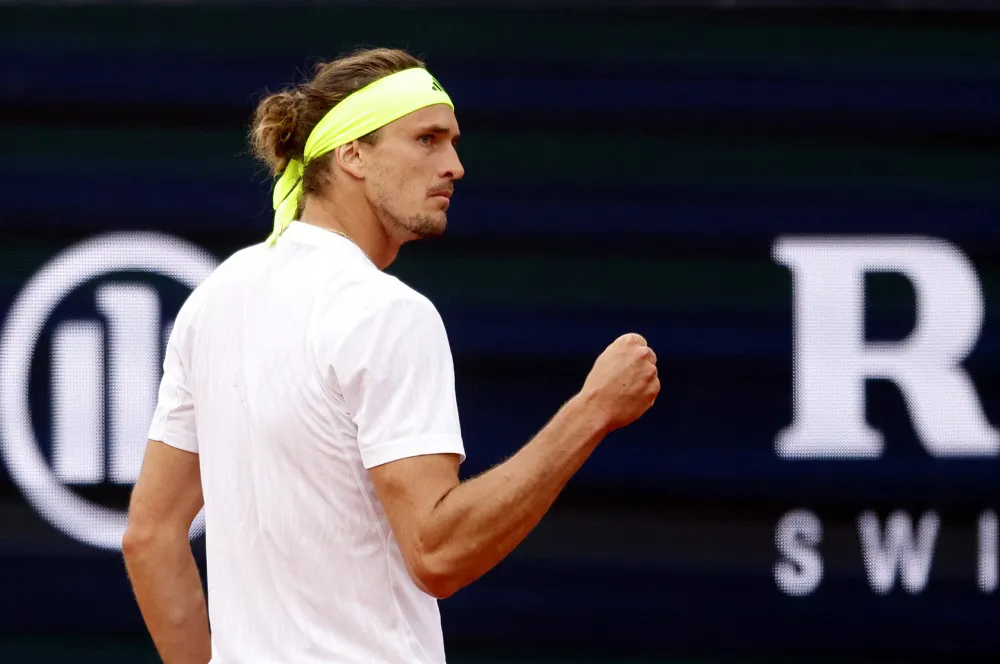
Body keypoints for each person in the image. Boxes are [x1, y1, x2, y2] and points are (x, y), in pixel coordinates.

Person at [122, 47, 659, 664]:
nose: (455, 165)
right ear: (352, 154)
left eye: (453, 142)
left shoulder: (216, 297)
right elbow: (438, 554)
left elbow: (151, 536)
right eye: (428, 140)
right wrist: (591, 412)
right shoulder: (386, 313)